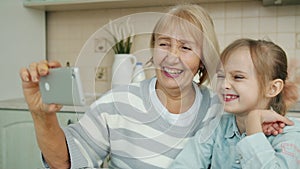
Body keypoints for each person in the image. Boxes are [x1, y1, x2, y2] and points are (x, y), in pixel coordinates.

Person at [19, 4, 223, 169]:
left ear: (203, 59)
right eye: (164, 44)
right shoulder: (117, 103)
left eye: (185, 47)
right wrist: (42, 116)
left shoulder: (216, 109)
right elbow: (65, 162)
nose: (171, 57)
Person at [169, 38, 300, 169]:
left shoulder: (289, 135)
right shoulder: (216, 128)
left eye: (238, 77)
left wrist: (253, 124)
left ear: (272, 88)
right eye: (221, 76)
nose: (224, 85)